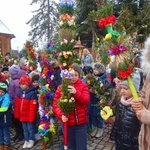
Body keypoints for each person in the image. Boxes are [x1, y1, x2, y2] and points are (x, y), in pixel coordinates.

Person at [52, 63, 90, 150]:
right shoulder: (61, 88)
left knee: (81, 147)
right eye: (71, 75)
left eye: (76, 75)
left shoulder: (83, 86)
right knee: (70, 146)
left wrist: (76, 93)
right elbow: (55, 104)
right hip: (68, 123)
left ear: (79, 76)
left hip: (81, 123)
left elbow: (86, 100)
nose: (73, 77)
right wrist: (61, 115)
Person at [110, 72, 141, 150]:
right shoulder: (120, 102)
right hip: (120, 140)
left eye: (126, 89)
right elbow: (117, 121)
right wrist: (114, 135)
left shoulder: (138, 105)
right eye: (121, 88)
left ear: (134, 89)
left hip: (132, 144)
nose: (122, 91)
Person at [131, 36, 150, 150]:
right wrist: (137, 103)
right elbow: (143, 93)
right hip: (145, 137)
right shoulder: (149, 76)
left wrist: (146, 115)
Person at [14, 75, 38, 149]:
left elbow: (33, 108)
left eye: (23, 84)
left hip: (29, 116)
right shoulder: (20, 93)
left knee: (30, 129)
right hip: (22, 116)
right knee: (24, 129)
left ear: (27, 84)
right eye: (20, 84)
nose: (21, 86)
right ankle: (26, 140)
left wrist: (31, 118)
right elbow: (17, 105)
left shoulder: (32, 94)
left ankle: (31, 139)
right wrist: (17, 114)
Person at [90, 62, 109, 138]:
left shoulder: (104, 79)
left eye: (96, 69)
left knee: (99, 115)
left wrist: (96, 91)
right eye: (94, 69)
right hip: (93, 100)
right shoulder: (94, 78)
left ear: (100, 70)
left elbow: (105, 91)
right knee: (93, 114)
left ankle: (100, 128)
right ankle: (95, 127)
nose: (94, 71)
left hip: (99, 100)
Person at [8, 64, 25, 141]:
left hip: (15, 104)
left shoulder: (17, 81)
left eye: (10, 72)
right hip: (13, 104)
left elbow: (17, 94)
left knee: (17, 120)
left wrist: (13, 103)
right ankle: (18, 133)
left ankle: (21, 134)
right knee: (15, 120)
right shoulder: (14, 80)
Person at [0, 82, 12, 150]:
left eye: (2, 92)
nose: (0, 93)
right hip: (1, 119)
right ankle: (1, 143)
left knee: (6, 132)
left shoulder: (6, 98)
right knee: (0, 132)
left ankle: (8, 144)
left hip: (5, 119)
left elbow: (3, 109)